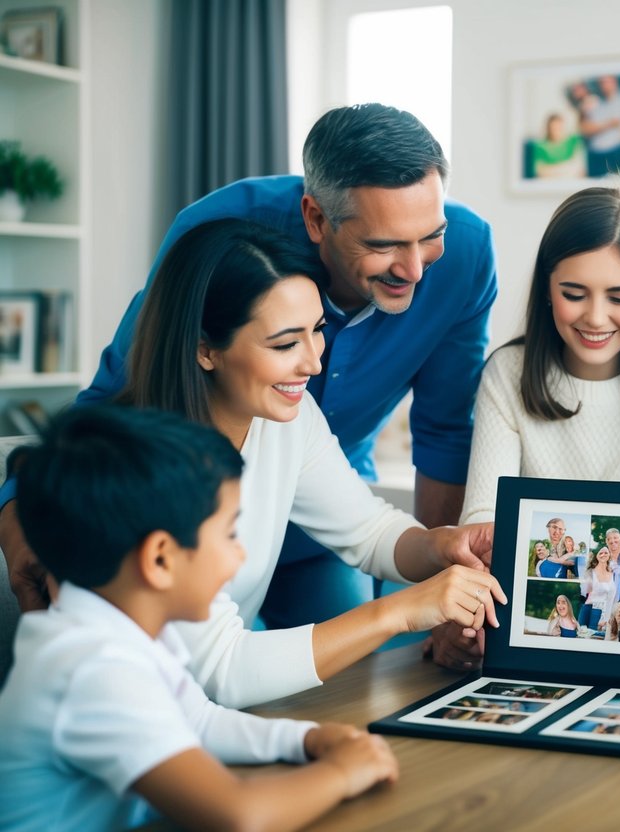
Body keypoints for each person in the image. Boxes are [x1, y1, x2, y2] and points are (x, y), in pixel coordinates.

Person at [0, 104, 499, 664]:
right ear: (316, 219)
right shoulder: (217, 244)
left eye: (430, 236)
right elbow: (117, 395)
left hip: (326, 510)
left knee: (353, 676)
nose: (413, 270)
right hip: (189, 535)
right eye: (384, 245)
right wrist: (18, 512)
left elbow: (437, 441)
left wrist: (446, 554)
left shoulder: (299, 421)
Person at [31, 220, 505, 709]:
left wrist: (444, 544)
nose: (314, 364)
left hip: (201, 723)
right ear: (204, 348)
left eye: (317, 331)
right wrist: (401, 612)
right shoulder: (136, 470)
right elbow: (221, 670)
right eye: (284, 344)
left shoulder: (285, 417)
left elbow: (368, 532)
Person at [0, 406, 399, 832]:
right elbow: (239, 816)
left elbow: (199, 721)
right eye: (230, 535)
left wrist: (306, 739)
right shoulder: (91, 669)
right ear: (159, 559)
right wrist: (342, 773)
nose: (241, 554)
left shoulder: (132, 631)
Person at [460, 188, 620, 525]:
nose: (596, 318)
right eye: (574, 294)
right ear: (547, 288)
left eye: (619, 298)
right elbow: (482, 518)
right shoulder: (507, 373)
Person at [579, 75, 620, 177]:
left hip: (615, 153)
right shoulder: (596, 102)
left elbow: (619, 123)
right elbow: (585, 129)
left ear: (614, 82)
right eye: (601, 83)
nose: (603, 85)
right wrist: (610, 123)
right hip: (596, 156)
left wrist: (598, 126)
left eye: (606, 82)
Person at [579, 547, 616, 630]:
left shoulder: (612, 572)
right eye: (600, 553)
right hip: (594, 611)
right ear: (596, 556)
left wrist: (608, 618)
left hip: (608, 614)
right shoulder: (590, 572)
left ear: (609, 555)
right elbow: (584, 592)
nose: (603, 555)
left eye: (606, 553)